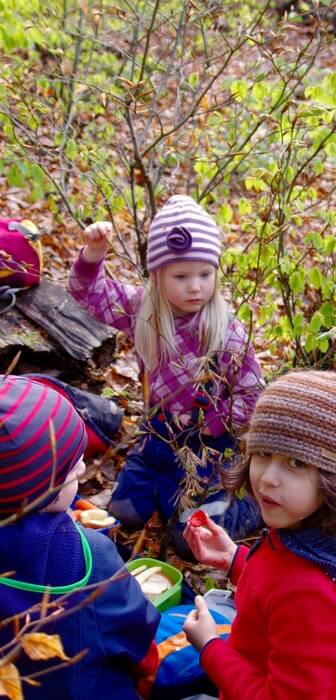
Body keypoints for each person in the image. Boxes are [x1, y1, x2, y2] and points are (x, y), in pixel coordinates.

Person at [180, 371, 336, 699]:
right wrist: (235, 561)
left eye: (296, 463)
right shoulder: (321, 532)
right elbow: (282, 584)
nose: (269, 478)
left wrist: (211, 647)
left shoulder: (316, 599)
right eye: (264, 453)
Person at [70, 196, 264, 558]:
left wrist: (218, 422)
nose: (195, 287)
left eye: (205, 274)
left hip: (208, 454)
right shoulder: (143, 309)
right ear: (158, 276)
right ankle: (163, 493)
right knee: (123, 514)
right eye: (181, 276)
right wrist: (92, 255)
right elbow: (88, 294)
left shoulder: (228, 332)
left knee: (189, 543)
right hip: (156, 442)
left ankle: (247, 504)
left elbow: (253, 394)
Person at [0, 376, 159, 699]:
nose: (84, 466)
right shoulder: (90, 558)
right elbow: (137, 636)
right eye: (72, 470)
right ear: (39, 494)